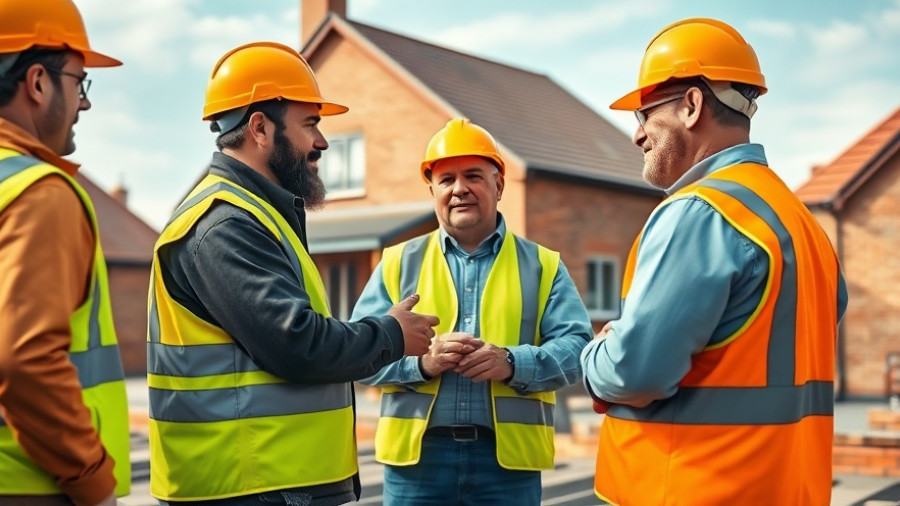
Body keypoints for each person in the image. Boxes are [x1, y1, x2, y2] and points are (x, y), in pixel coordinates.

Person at [146, 41, 439, 505]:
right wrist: (391, 335)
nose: (321, 142)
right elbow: (297, 344)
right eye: (310, 125)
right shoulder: (225, 224)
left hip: (265, 483)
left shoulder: (255, 214)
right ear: (260, 128)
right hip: (250, 486)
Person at [580, 18, 849, 505]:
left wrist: (595, 353)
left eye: (644, 115)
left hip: (693, 487)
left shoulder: (699, 213)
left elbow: (633, 374)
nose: (637, 135)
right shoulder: (800, 223)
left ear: (691, 105)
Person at [352, 118, 593, 506]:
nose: (459, 188)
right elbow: (359, 355)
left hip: (508, 468)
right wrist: (422, 365)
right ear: (432, 189)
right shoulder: (397, 263)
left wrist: (513, 362)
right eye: (446, 179)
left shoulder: (543, 265)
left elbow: (579, 350)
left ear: (498, 185)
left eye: (473, 176)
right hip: (417, 468)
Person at [0, 1, 130, 504]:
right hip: (29, 484)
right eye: (80, 82)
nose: (85, 103)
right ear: (37, 81)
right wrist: (93, 482)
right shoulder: (37, 191)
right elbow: (25, 360)